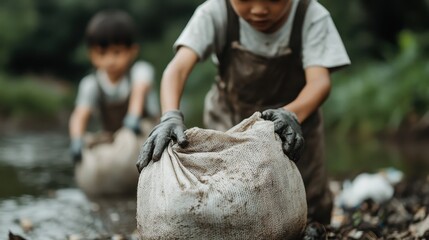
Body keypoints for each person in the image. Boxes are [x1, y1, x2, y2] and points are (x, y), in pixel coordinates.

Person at [137, 0, 350, 225]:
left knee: (308, 202)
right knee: (228, 198)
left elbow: (319, 82)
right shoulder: (216, 12)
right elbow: (178, 68)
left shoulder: (311, 15)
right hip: (229, 122)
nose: (259, 9)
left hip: (295, 122)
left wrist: (290, 114)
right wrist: (170, 115)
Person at [69, 9, 157, 164]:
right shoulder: (91, 84)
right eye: (102, 53)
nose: (110, 60)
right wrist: (76, 139)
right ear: (91, 55)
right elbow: (80, 114)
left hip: (144, 136)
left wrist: (133, 116)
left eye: (117, 52)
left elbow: (139, 91)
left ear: (132, 51)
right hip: (114, 141)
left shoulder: (140, 71)